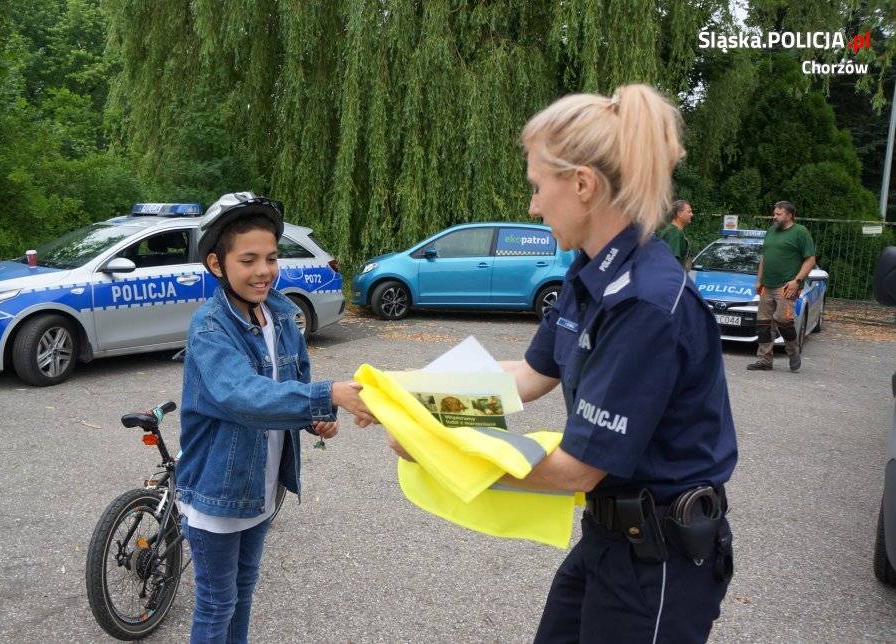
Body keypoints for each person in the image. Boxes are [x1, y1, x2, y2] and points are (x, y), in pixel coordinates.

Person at [390, 85, 737, 643]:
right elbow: (527, 377)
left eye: (536, 186)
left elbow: (577, 468)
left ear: (582, 184)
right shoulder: (589, 274)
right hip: (609, 539)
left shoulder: (645, 304)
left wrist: (436, 451)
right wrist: (404, 398)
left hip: (660, 561)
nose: (531, 206)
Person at [175, 192, 375, 644]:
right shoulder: (209, 327)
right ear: (216, 264)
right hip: (217, 491)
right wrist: (328, 395)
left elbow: (291, 383)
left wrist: (314, 418)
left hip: (261, 487)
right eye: (248, 260)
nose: (263, 270)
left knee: (243, 594)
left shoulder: (281, 315)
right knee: (215, 604)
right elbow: (243, 396)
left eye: (270, 257)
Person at [747, 200, 816, 373]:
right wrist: (759, 280)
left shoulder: (800, 232)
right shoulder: (771, 231)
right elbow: (764, 257)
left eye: (778, 213)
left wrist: (797, 281)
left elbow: (810, 260)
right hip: (766, 286)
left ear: (789, 215)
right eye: (774, 213)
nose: (774, 216)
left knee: (783, 320)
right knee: (763, 323)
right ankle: (764, 360)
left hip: (786, 286)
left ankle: (793, 352)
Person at [656, 199, 693, 266]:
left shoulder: (671, 230)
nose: (691, 214)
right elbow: (672, 263)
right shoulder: (674, 233)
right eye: (689, 212)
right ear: (679, 214)